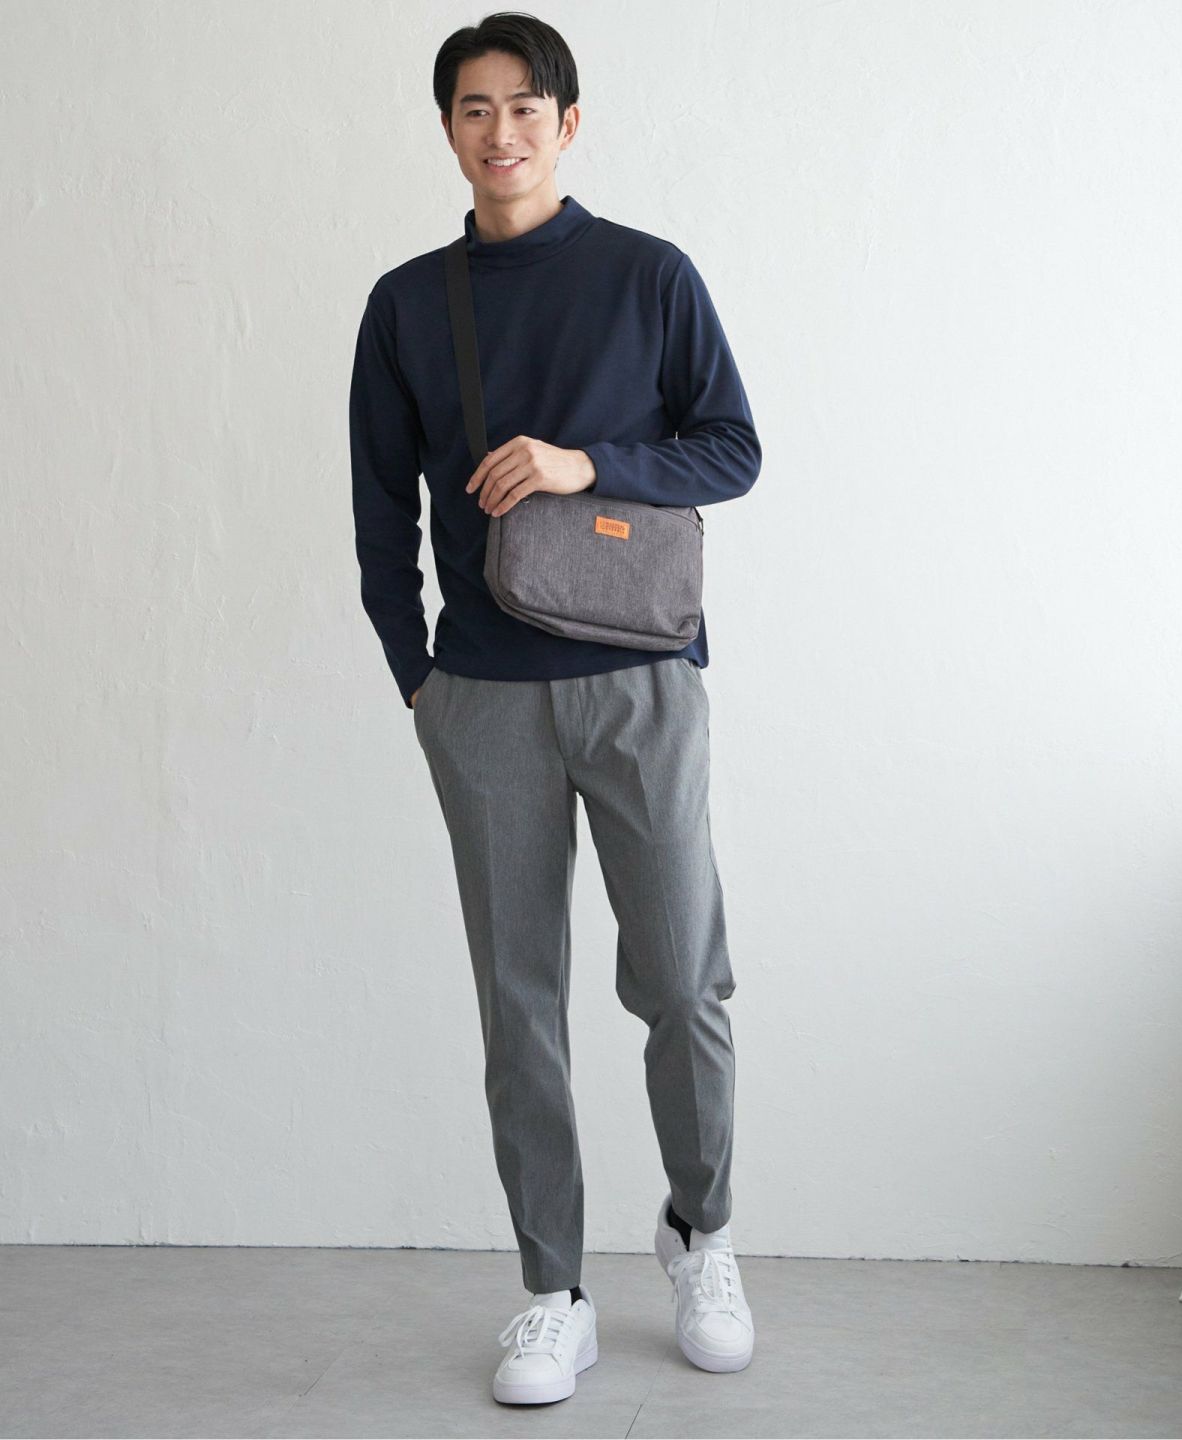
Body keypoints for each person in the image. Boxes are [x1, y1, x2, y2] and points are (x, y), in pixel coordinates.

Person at [349, 11, 762, 1407]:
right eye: (475, 108)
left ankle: (702, 1232)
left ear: (568, 124)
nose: (502, 131)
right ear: (448, 130)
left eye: (527, 106)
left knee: (684, 979)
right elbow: (379, 510)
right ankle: (553, 1289)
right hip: (483, 700)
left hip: (642, 678)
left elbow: (732, 449)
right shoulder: (409, 303)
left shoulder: (651, 276)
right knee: (519, 1001)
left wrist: (588, 463)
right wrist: (419, 678)